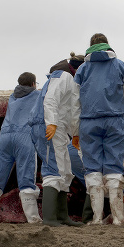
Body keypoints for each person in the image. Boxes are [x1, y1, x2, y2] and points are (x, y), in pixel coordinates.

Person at [72, 33, 124, 226]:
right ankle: (119, 217)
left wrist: (75, 132)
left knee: (93, 169)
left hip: (88, 122)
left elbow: (74, 104)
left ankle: (96, 218)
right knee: (114, 167)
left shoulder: (82, 69)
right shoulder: (120, 65)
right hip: (115, 121)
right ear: (108, 45)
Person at [0, 73, 42, 223]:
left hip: (4, 137)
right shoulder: (38, 96)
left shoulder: (13, 97)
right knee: (26, 178)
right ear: (33, 83)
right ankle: (33, 219)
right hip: (24, 137)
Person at [37, 54, 85, 227]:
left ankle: (62, 217)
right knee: (53, 169)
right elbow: (50, 99)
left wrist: (75, 134)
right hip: (51, 128)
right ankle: (50, 218)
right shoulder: (62, 75)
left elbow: (71, 111)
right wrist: (51, 123)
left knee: (65, 170)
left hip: (60, 129)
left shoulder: (71, 81)